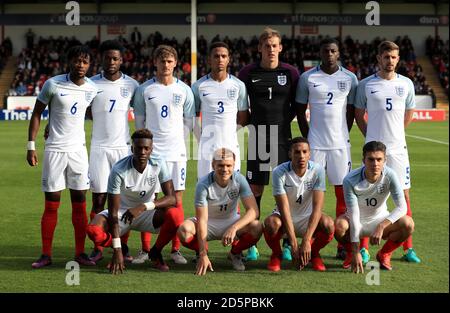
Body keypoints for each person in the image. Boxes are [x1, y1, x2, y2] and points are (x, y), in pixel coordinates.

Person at [27, 45, 99, 268]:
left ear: (89, 65)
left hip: (78, 152)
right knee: (51, 205)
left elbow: (91, 114)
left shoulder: (92, 89)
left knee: (79, 204)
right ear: (70, 62)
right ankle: (46, 254)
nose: (81, 65)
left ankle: (79, 253)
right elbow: (37, 112)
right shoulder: (53, 84)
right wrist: (31, 145)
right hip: (55, 151)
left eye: (85, 62)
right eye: (77, 61)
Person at [354, 41, 421, 263]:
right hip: (374, 151)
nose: (390, 61)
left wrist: (397, 135)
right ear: (378, 59)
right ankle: (363, 248)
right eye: (386, 57)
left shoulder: (407, 84)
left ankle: (406, 249)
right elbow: (358, 114)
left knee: (404, 196)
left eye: (393, 57)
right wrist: (370, 138)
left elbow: (409, 112)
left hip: (398, 151)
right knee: (367, 194)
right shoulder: (366, 84)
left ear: (398, 59)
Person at [295, 38, 361, 262]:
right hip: (315, 145)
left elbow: (351, 111)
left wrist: (342, 134)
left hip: (340, 146)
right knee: (309, 194)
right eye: (326, 51)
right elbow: (299, 108)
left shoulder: (350, 78)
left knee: (343, 193)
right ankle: (307, 241)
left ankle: (342, 245)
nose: (330, 54)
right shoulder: (308, 78)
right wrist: (308, 137)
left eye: (333, 50)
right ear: (320, 53)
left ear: (339, 53)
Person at [238, 27, 300, 261]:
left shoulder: (291, 72)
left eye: (275, 45)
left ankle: (285, 241)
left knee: (286, 191)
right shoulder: (247, 72)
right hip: (258, 137)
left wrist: (282, 121)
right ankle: (251, 241)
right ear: (260, 48)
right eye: (267, 46)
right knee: (255, 190)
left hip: (284, 139)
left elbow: (298, 106)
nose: (271, 49)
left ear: (280, 48)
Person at [86, 129, 182, 274]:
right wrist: (117, 249)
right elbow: (112, 212)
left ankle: (155, 252)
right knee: (93, 231)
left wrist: (144, 206)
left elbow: (172, 198)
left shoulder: (159, 163)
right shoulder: (119, 169)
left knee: (175, 216)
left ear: (151, 149)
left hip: (146, 212)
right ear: (132, 149)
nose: (143, 152)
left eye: (146, 148)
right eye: (139, 148)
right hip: (121, 213)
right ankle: (121, 248)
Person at [133, 45, 195, 265]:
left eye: (169, 61)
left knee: (177, 199)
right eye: (162, 61)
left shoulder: (184, 90)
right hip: (153, 154)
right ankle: (145, 249)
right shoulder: (144, 90)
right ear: (155, 63)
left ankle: (175, 249)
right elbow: (139, 123)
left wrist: (178, 142)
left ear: (176, 63)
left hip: (177, 153)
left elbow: (189, 122)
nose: (166, 65)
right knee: (149, 199)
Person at [86, 40, 139, 264]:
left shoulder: (133, 85)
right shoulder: (90, 84)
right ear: (102, 59)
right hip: (99, 148)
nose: (111, 62)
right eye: (107, 58)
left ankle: (123, 246)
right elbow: (80, 109)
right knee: (98, 200)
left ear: (121, 60)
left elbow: (144, 113)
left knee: (123, 200)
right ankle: (97, 247)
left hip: (122, 149)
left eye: (115, 58)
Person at [177, 148, 262, 275]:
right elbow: (202, 220)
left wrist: (233, 228)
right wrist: (202, 253)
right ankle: (203, 253)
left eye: (229, 165)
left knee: (257, 226)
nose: (225, 169)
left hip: (231, 221)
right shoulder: (203, 184)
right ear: (213, 165)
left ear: (234, 165)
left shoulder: (239, 179)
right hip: (208, 223)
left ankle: (234, 253)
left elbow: (253, 211)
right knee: (183, 231)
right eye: (221, 165)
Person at [334, 141, 415, 272]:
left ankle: (384, 254)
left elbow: (402, 207)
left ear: (385, 160)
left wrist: (381, 225)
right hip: (357, 222)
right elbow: (354, 215)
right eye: (371, 159)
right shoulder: (350, 180)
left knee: (408, 223)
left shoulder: (391, 175)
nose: (375, 164)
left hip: (380, 220)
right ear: (363, 160)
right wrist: (356, 251)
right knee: (339, 226)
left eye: (379, 159)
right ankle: (351, 254)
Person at [263, 137, 334, 272]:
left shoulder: (317, 170)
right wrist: (293, 243)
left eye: (304, 152)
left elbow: (318, 207)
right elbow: (283, 209)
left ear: (309, 154)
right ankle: (277, 254)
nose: (301, 156)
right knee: (271, 224)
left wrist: (307, 241)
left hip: (308, 218)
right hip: (284, 218)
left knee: (329, 224)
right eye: (297, 152)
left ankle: (313, 253)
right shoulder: (279, 172)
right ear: (290, 154)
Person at [192, 41, 249, 179]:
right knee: (205, 189)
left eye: (224, 56)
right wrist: (203, 139)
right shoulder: (198, 86)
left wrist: (228, 133)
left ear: (228, 59)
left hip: (231, 144)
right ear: (209, 59)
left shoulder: (238, 85)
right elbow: (192, 118)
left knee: (232, 190)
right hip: (207, 147)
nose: (220, 59)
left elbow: (244, 117)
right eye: (216, 56)